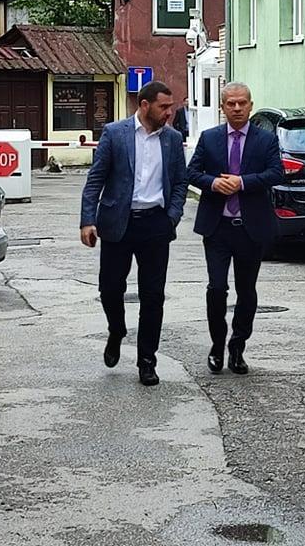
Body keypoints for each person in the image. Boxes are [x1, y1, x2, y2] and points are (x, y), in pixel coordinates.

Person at [79, 81, 189, 386]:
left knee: (153, 296)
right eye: (163, 107)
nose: (170, 113)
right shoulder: (115, 134)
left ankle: (146, 361)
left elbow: (180, 182)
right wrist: (87, 220)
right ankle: (117, 330)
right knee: (110, 288)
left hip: (156, 223)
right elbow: (95, 179)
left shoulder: (173, 138)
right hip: (118, 221)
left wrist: (172, 216)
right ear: (144, 105)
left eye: (171, 107)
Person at [187, 82, 284, 376]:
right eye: (231, 104)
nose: (237, 108)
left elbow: (276, 173)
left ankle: (238, 346)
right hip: (217, 227)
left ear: (251, 105)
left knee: (246, 290)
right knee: (217, 288)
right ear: (222, 107)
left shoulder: (265, 140)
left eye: (242, 103)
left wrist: (242, 182)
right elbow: (191, 171)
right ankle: (217, 345)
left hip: (250, 227)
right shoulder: (210, 138)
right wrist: (213, 183)